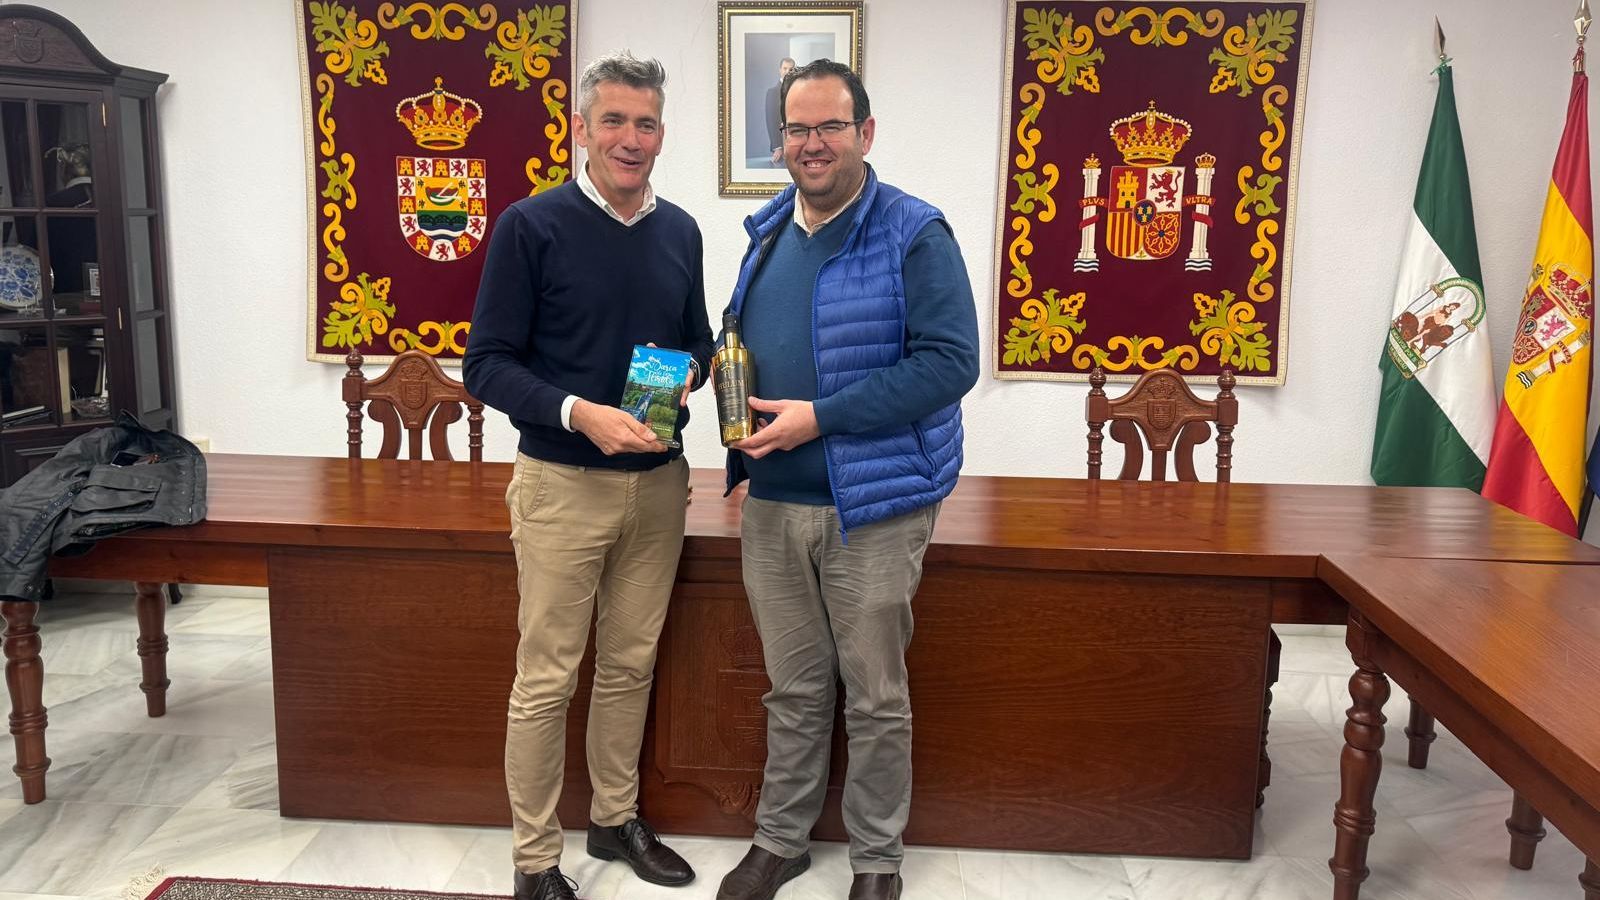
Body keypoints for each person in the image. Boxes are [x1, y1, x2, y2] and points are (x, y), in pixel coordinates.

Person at [714, 59, 979, 900]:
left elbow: (950, 363)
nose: (813, 143)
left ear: (865, 133)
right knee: (791, 689)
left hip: (875, 508)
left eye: (831, 126)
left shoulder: (914, 231)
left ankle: (877, 861)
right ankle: (781, 840)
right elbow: (743, 347)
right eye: (797, 129)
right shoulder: (765, 235)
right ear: (780, 142)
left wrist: (820, 417)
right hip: (774, 505)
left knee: (873, 697)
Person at [463, 51, 713, 900]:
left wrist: (694, 374)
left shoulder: (680, 230)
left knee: (630, 664)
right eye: (613, 120)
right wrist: (578, 411)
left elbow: (700, 344)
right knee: (547, 678)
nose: (629, 138)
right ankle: (535, 864)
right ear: (581, 129)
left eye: (645, 123)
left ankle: (614, 821)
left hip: (661, 484)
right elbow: (486, 365)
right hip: (563, 483)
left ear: (662, 134)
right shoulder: (530, 226)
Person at [763, 57, 795, 166]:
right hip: (782, 148)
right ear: (780, 70)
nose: (787, 72)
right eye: (785, 68)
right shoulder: (772, 92)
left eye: (790, 69)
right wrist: (778, 147)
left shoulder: (799, 91)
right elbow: (771, 121)